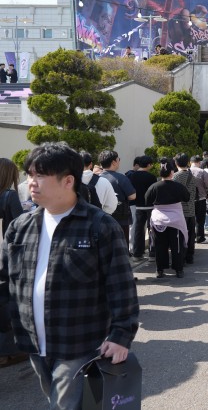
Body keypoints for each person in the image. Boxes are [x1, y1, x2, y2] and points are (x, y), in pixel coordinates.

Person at [0, 142, 139, 408]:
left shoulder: (99, 225)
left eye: (41, 175)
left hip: (79, 342)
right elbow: (5, 280)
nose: (32, 182)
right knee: (57, 399)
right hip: (32, 341)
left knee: (63, 405)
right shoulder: (20, 227)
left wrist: (121, 336)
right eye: (30, 174)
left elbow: (121, 284)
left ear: (68, 181)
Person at [0, 158, 27, 367]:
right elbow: (20, 225)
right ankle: (9, 351)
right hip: (6, 254)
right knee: (8, 300)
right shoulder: (9, 195)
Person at [145, 158, 190, 278]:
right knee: (177, 245)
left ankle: (160, 270)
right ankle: (178, 269)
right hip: (176, 219)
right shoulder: (178, 186)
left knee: (160, 245)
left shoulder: (154, 186)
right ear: (172, 172)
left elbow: (147, 200)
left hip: (158, 219)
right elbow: (187, 197)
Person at [98, 150, 136, 247]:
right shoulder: (120, 177)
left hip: (100, 217)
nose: (119, 161)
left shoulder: (96, 178)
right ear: (114, 162)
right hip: (120, 217)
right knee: (121, 244)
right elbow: (132, 196)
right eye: (118, 159)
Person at [128, 156, 157, 259]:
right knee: (152, 229)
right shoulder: (151, 177)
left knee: (138, 230)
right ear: (148, 165)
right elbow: (154, 193)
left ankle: (137, 253)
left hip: (138, 206)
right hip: (150, 206)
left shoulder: (132, 176)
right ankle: (152, 253)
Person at [173, 153, 197, 264]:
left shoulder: (175, 176)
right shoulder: (192, 175)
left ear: (176, 163)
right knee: (191, 235)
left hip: (180, 211)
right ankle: (190, 257)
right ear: (188, 162)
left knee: (180, 236)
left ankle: (181, 258)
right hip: (191, 209)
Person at [189, 155, 208, 243]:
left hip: (188, 199)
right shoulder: (202, 172)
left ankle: (190, 237)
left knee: (189, 219)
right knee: (200, 220)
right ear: (199, 162)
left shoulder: (185, 172)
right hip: (200, 198)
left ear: (190, 162)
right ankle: (200, 237)